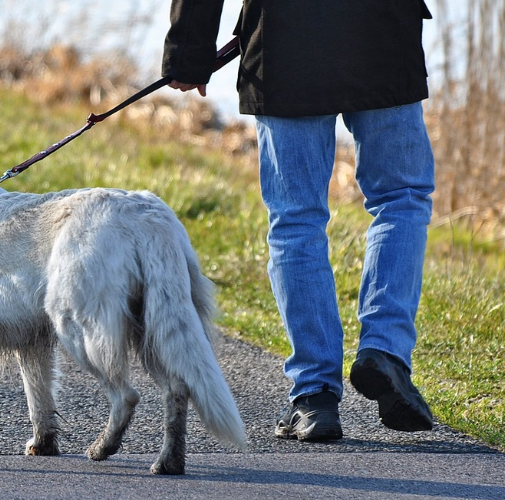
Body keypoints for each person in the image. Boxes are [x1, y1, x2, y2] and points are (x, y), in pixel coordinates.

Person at [162, 0, 436, 441]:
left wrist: (189, 52)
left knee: (296, 220)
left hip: (285, 42)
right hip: (382, 33)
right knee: (401, 197)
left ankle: (314, 397)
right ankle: (384, 350)